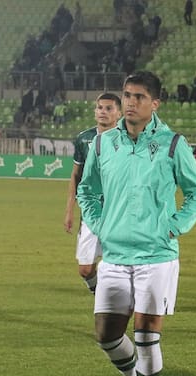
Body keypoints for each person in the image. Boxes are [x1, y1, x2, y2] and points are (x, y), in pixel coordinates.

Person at [76, 71, 196, 376]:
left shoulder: (172, 144)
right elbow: (86, 190)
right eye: (127, 95)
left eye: (138, 96)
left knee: (146, 337)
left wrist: (174, 227)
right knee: (106, 335)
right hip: (117, 255)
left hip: (157, 256)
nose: (131, 102)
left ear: (155, 103)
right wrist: (100, 222)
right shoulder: (104, 144)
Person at [64, 93, 122, 294]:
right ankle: (101, 294)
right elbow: (75, 176)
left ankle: (113, 304)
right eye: (99, 108)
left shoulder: (127, 139)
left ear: (119, 113)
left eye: (108, 108)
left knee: (116, 265)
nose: (103, 112)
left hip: (118, 211)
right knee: (85, 269)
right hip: (91, 211)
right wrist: (69, 211)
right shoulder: (84, 139)